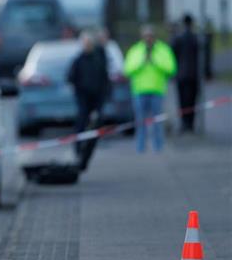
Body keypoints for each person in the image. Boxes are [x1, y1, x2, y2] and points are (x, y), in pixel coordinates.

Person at [124, 25, 177, 153]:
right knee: (140, 121)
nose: (148, 39)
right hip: (139, 91)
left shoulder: (163, 50)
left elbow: (171, 68)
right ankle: (140, 147)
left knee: (157, 121)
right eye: (145, 36)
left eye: (150, 36)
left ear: (154, 37)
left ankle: (158, 147)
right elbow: (127, 70)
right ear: (142, 37)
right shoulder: (135, 50)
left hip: (157, 90)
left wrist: (155, 61)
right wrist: (142, 62)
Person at [67, 31, 111, 169]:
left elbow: (105, 79)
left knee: (96, 127)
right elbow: (70, 78)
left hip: (97, 99)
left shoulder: (98, 59)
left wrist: (105, 95)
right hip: (83, 98)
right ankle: (78, 150)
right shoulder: (78, 60)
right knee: (81, 123)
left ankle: (86, 156)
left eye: (89, 44)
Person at [171, 14, 200, 132]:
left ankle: (184, 123)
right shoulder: (196, 37)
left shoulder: (178, 38)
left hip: (181, 74)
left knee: (182, 100)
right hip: (194, 74)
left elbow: (172, 54)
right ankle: (190, 124)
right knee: (192, 100)